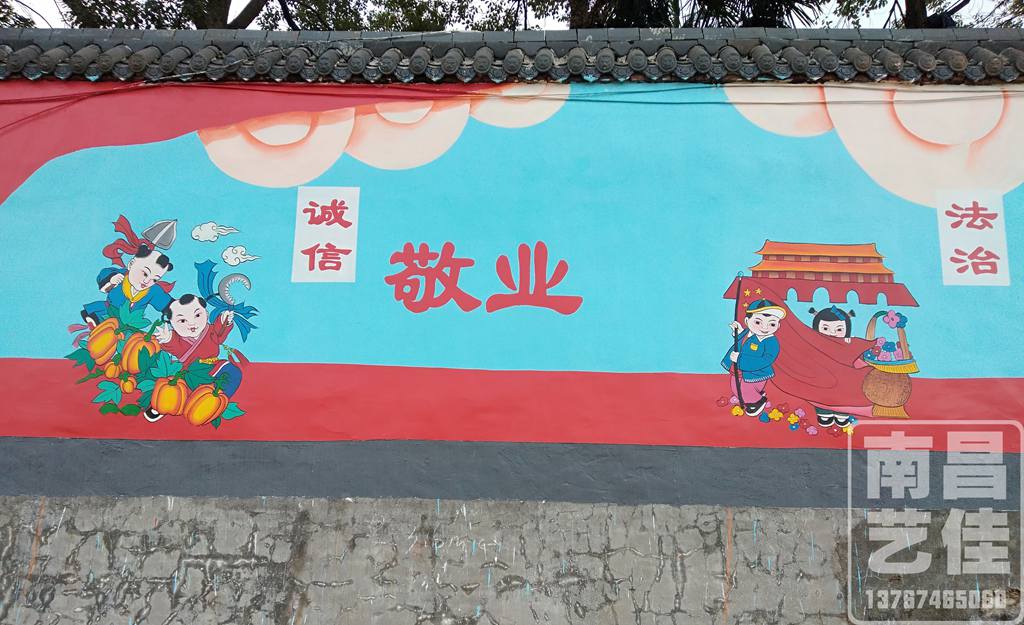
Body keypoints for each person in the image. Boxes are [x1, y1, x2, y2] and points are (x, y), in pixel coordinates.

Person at [146, 294, 241, 423]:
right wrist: (167, 339)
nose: (192, 323)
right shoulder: (176, 338)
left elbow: (219, 332)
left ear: (206, 314)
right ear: (171, 322)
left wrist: (225, 321)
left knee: (233, 373)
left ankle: (214, 402)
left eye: (197, 315)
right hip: (189, 370)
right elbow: (174, 347)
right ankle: (162, 405)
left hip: (213, 366)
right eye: (182, 321)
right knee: (176, 388)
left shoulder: (209, 330)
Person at [721, 299, 786, 417]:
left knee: (747, 390)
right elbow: (743, 340)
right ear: (747, 321)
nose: (764, 328)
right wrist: (738, 331)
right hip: (738, 369)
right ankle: (754, 395)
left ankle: (757, 402)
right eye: (758, 322)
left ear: (778, 325)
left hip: (757, 373)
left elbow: (766, 360)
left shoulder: (771, 342)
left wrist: (740, 359)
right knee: (735, 387)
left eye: (772, 324)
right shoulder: (748, 332)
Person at [81, 243, 173, 326]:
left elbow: (168, 304)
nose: (146, 281)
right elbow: (104, 274)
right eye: (145, 274)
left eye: (155, 279)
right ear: (131, 264)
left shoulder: (153, 290)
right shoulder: (121, 275)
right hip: (107, 311)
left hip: (128, 324)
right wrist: (112, 279)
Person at [808, 306, 859, 428]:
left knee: (843, 394)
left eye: (839, 329)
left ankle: (842, 413)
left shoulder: (847, 344)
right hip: (822, 377)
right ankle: (824, 412)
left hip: (842, 378)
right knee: (822, 394)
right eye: (825, 328)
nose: (832, 333)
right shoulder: (816, 344)